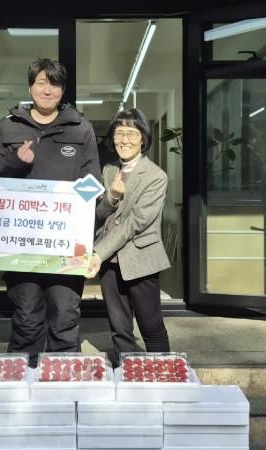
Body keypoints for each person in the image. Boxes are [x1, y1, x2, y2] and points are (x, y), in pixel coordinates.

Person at [0, 58, 101, 366]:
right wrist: (13, 161)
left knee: (64, 318)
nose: (47, 90)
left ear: (63, 90)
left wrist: (75, 220)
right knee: (26, 319)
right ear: (30, 87)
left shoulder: (81, 128)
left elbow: (93, 183)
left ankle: (63, 386)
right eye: (41, 83)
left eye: (54, 84)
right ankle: (21, 386)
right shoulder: (7, 127)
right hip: (20, 245)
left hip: (64, 244)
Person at [86, 108, 170, 365]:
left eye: (131, 134)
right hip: (110, 262)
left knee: (151, 326)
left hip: (140, 259)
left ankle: (164, 374)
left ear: (143, 138)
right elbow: (99, 215)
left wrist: (99, 252)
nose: (124, 140)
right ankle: (127, 371)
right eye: (119, 133)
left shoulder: (156, 176)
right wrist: (111, 197)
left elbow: (136, 222)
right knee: (119, 327)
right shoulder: (109, 169)